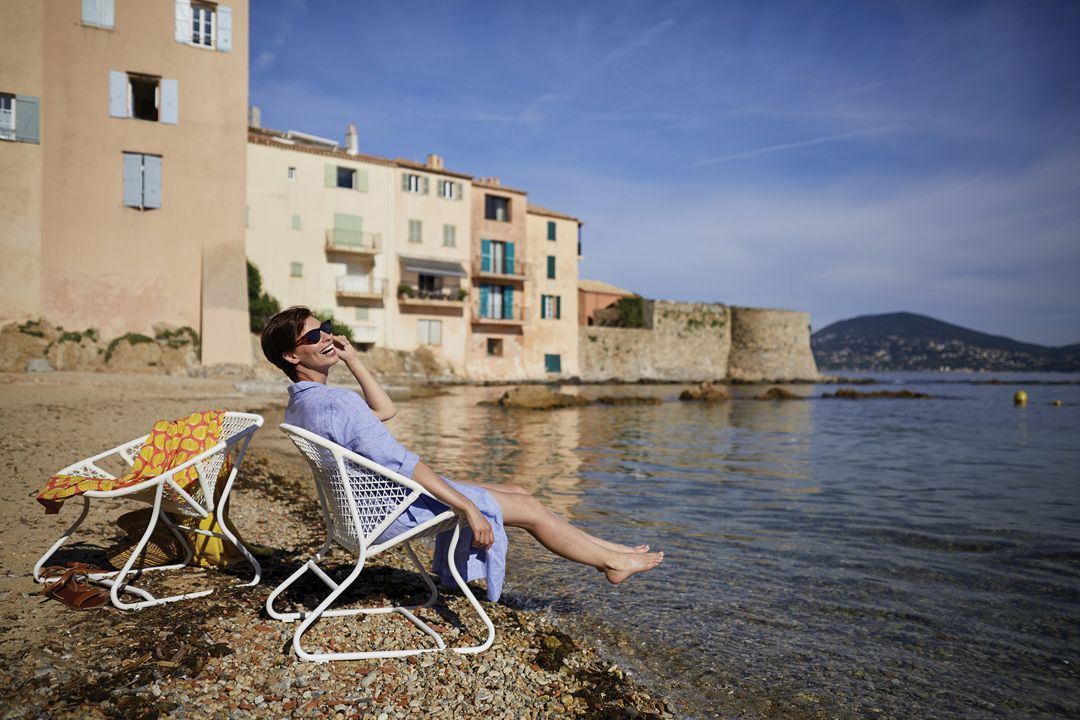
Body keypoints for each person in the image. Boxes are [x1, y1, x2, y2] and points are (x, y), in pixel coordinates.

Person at [261, 306, 663, 601]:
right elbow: (404, 463)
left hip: (369, 506)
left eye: (326, 329)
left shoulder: (303, 404)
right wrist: (468, 508)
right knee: (531, 509)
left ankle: (611, 552)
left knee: (518, 490)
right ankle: (610, 563)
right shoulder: (338, 404)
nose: (327, 338)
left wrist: (352, 359)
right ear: (292, 356)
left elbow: (385, 411)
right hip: (392, 512)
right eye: (314, 337)